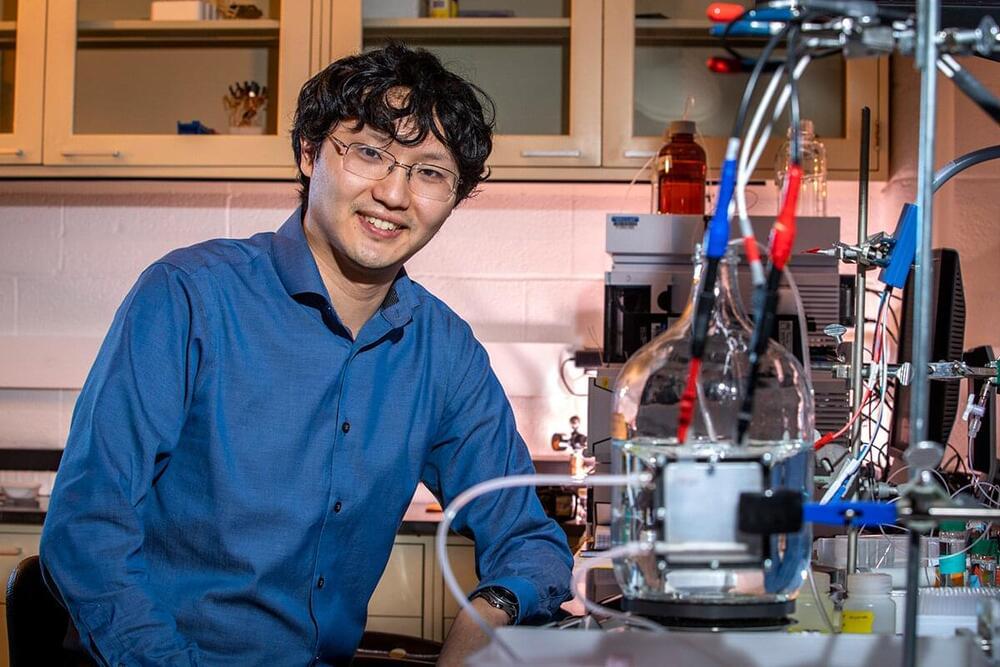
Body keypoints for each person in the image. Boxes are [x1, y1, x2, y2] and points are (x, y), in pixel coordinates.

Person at [40, 43, 573, 667]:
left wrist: (490, 611)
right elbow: (87, 531)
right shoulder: (188, 296)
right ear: (309, 152)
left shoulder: (445, 351)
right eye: (369, 152)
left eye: (430, 172)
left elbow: (528, 538)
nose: (394, 194)